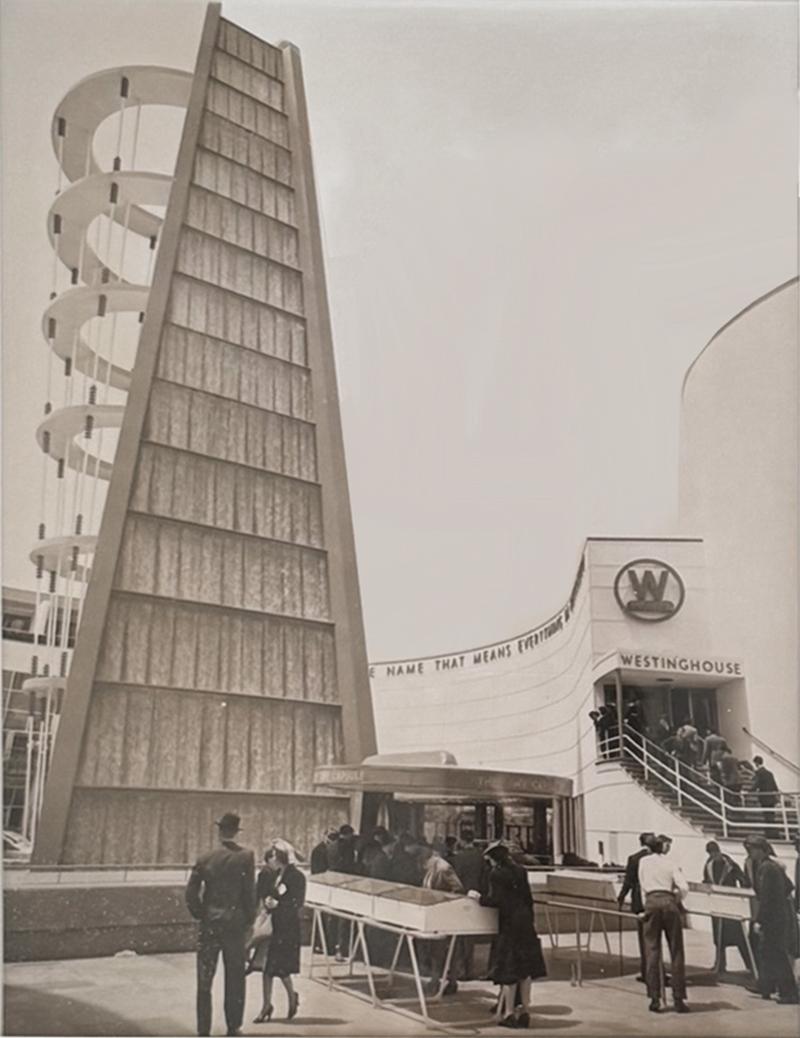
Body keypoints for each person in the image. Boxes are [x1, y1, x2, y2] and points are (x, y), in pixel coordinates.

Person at [185, 812, 255, 1038]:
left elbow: (191, 892)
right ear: (235, 832)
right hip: (234, 926)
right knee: (235, 977)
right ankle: (233, 1027)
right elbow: (249, 893)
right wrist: (249, 921)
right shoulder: (246, 856)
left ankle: (203, 1029)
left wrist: (201, 914)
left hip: (210, 925)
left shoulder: (205, 858)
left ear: (219, 831)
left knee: (204, 979)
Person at [474, 841, 546, 1028]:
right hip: (525, 925)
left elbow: (496, 900)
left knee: (509, 972)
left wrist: (478, 898)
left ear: (493, 858)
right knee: (525, 971)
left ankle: (509, 1014)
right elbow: (528, 898)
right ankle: (525, 1012)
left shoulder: (496, 874)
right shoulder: (521, 871)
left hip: (509, 926)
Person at [252, 839, 306, 1023]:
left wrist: (278, 904)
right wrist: (269, 901)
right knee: (268, 968)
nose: (270, 858)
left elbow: (297, 902)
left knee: (280, 968)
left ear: (281, 856)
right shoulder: (277, 874)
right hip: (275, 925)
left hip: (286, 928)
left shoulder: (296, 876)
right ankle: (267, 1005)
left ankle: (290, 996)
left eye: (273, 855)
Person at [743, 834, 799, 1003]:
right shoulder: (773, 866)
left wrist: (759, 920)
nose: (750, 853)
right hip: (780, 915)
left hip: (773, 918)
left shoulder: (766, 868)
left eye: (751, 850)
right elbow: (789, 886)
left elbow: (766, 898)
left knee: (776, 954)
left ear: (760, 850)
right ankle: (765, 986)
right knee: (766, 952)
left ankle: (789, 993)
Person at [638, 834, 689, 1014]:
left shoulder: (643, 862)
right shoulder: (671, 863)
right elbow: (684, 887)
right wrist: (676, 898)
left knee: (652, 949)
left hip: (651, 901)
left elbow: (642, 883)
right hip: (668, 901)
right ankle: (678, 997)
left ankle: (654, 997)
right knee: (676, 950)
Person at [702, 841, 754, 974]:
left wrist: (742, 894)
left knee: (739, 937)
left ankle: (751, 965)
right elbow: (706, 880)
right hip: (717, 904)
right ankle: (720, 964)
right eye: (710, 853)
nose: (713, 855)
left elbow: (743, 880)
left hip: (731, 904)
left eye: (714, 852)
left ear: (718, 851)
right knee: (719, 938)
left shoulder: (730, 865)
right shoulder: (709, 865)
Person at [419, 843, 464, 995]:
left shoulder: (444, 868)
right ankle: (436, 978)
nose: (424, 866)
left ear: (431, 858)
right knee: (435, 949)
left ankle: (451, 980)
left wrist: (443, 900)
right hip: (434, 914)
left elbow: (458, 888)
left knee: (446, 949)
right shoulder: (433, 868)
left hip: (445, 914)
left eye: (425, 863)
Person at [617, 832, 655, 982]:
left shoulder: (634, 859)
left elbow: (629, 881)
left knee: (644, 938)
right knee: (655, 939)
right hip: (655, 899)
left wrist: (621, 897)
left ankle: (647, 972)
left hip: (640, 902)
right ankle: (657, 970)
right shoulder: (659, 858)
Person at [453, 828, 489, 979]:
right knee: (470, 936)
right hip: (476, 897)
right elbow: (485, 877)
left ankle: (462, 970)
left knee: (461, 937)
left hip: (462, 897)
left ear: (461, 840)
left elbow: (455, 879)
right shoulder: (480, 857)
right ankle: (469, 970)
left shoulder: (458, 858)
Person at [751, 757, 780, 836]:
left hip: (764, 798)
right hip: (771, 797)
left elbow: (756, 784)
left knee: (766, 815)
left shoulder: (759, 773)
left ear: (756, 763)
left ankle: (769, 833)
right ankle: (774, 833)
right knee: (771, 815)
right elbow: (775, 786)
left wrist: (748, 791)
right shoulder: (769, 773)